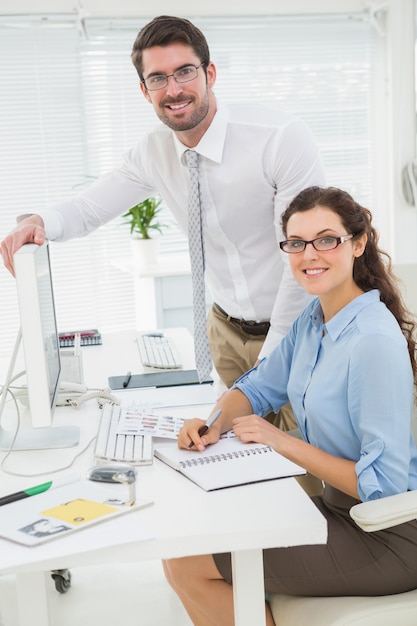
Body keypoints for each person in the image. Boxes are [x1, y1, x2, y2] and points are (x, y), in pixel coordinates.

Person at [0, 15, 325, 397]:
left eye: (185, 71)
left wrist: (275, 352)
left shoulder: (279, 139)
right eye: (158, 78)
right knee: (237, 451)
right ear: (144, 89)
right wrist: (40, 221)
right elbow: (90, 207)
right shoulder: (154, 151)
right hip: (224, 332)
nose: (174, 89)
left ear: (210, 74)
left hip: (296, 329)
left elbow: (309, 256)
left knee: (300, 450)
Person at [163, 186, 417, 626]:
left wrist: (281, 442)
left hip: (387, 535)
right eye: (296, 243)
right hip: (340, 511)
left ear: (357, 244)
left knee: (187, 563)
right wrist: (213, 425)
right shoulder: (315, 318)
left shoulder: (372, 341)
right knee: (187, 538)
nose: (309, 254)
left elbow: (383, 487)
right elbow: (258, 388)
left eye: (326, 239)